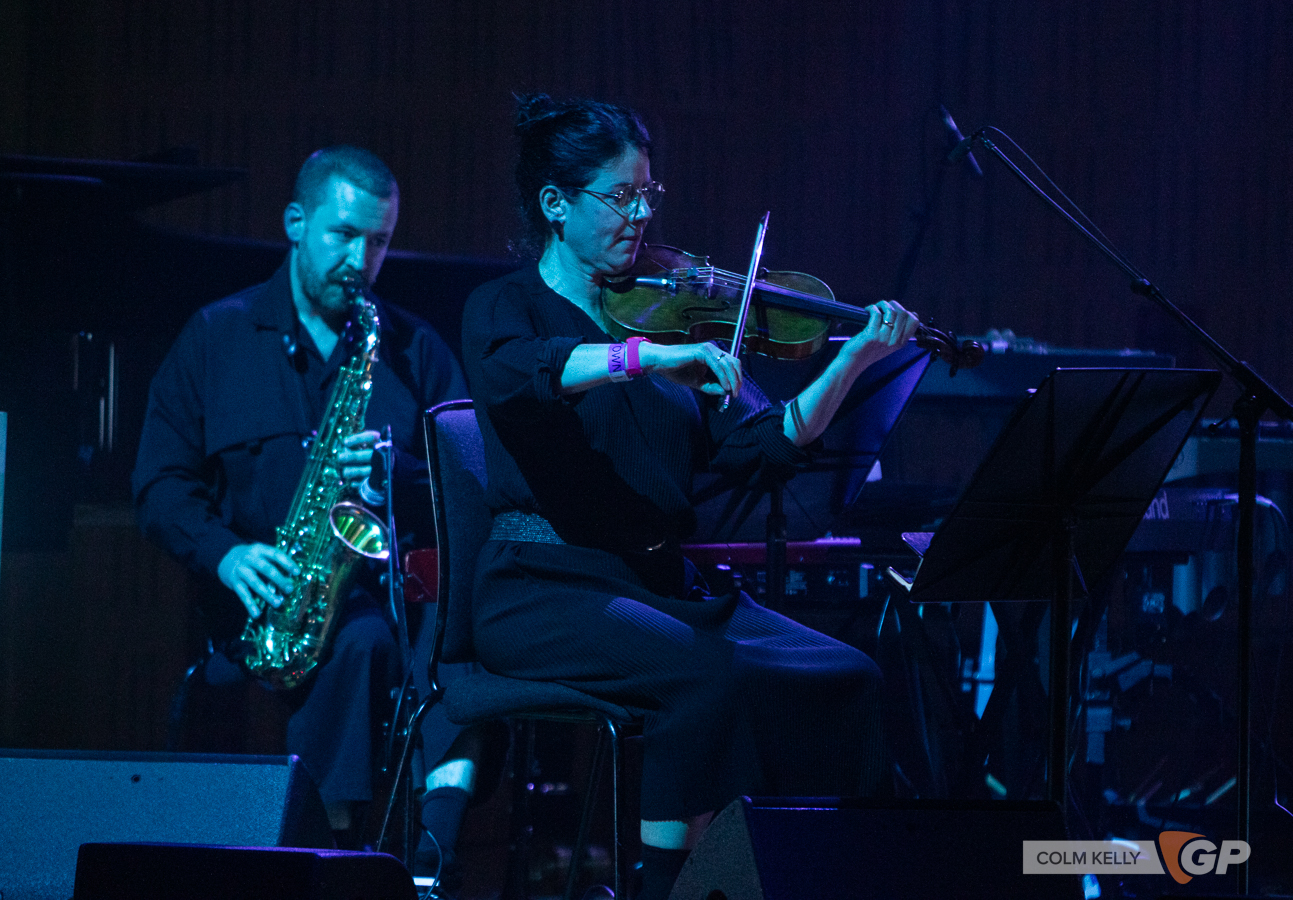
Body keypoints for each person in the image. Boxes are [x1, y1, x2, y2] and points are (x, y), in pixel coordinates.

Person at [460, 95, 921, 900]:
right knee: (707, 678)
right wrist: (642, 357)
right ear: (555, 205)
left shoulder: (666, 315)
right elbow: (518, 374)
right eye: (619, 196)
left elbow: (762, 445)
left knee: (847, 675)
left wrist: (850, 365)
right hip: (543, 587)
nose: (640, 214)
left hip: (654, 587)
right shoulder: (506, 308)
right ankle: (667, 888)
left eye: (648, 195)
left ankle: (818, 880)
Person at [132, 146, 480, 865]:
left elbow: (475, 483)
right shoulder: (214, 337)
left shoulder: (412, 350)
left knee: (366, 644)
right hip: (247, 612)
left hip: (372, 616)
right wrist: (224, 553)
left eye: (378, 241)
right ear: (296, 221)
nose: (361, 259)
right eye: (344, 235)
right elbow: (159, 484)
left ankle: (330, 851)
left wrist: (398, 475)